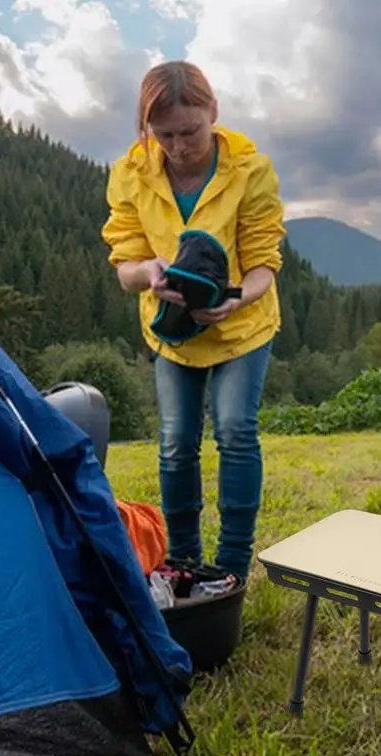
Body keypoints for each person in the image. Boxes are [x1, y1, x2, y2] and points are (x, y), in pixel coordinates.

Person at [100, 60, 286, 582]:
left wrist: (235, 299)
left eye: (190, 132)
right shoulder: (131, 175)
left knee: (234, 430)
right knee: (177, 441)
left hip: (240, 326)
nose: (179, 147)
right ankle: (181, 560)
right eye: (165, 135)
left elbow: (263, 264)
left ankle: (230, 567)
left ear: (213, 113)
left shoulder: (251, 171)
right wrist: (148, 273)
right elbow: (125, 265)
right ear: (147, 130)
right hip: (174, 333)